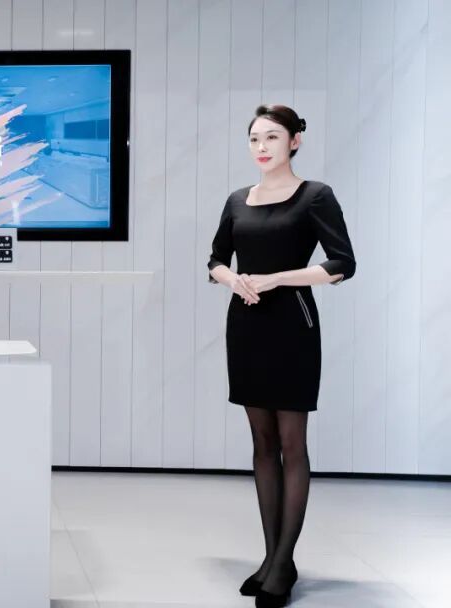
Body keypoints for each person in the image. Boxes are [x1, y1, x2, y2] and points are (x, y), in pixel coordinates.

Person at [207, 104, 357, 608]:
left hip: (293, 324)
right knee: (262, 443)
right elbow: (215, 260)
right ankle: (275, 559)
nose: (262, 147)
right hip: (246, 325)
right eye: (254, 138)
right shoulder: (237, 200)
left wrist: (276, 278)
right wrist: (234, 280)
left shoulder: (316, 195)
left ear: (295, 141)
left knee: (293, 444)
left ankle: (282, 563)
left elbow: (342, 263)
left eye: (272, 137)